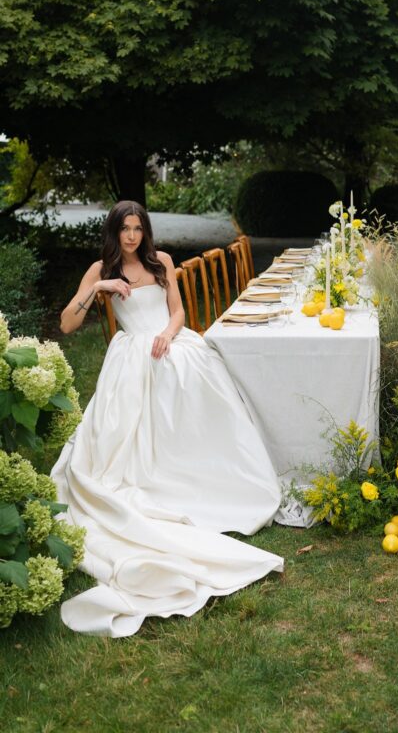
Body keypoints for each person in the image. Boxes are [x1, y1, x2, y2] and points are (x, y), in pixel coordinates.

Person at [52, 200, 283, 637]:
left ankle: (210, 478)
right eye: (125, 229)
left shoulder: (162, 262)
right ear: (114, 231)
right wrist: (99, 288)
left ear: (146, 231)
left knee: (194, 385)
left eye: (139, 228)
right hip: (128, 358)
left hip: (168, 343)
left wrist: (167, 333)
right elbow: (65, 325)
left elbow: (176, 310)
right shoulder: (101, 268)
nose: (133, 236)